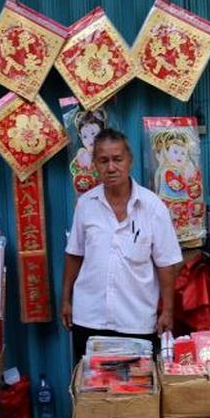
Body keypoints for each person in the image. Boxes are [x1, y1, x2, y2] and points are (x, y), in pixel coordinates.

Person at [61, 128, 183, 362]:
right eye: (103, 160)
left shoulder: (153, 207)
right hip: (89, 318)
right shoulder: (86, 205)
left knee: (136, 394)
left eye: (117, 159)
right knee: (91, 394)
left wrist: (167, 311)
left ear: (130, 161)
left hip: (135, 321)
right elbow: (74, 255)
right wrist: (66, 300)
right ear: (94, 163)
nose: (111, 167)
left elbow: (167, 264)